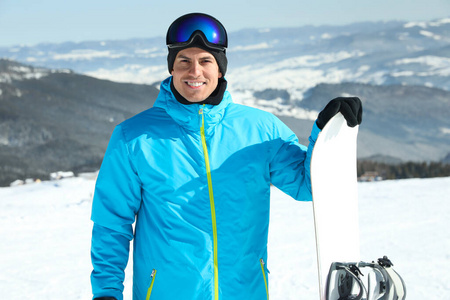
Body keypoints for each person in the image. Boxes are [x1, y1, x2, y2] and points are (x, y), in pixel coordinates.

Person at [90, 12, 362, 300]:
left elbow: (308, 187)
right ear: (172, 68)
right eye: (184, 61)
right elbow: (112, 224)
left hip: (245, 292)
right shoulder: (133, 138)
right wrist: (107, 292)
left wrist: (326, 133)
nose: (195, 72)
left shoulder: (261, 130)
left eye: (205, 61)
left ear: (220, 69)